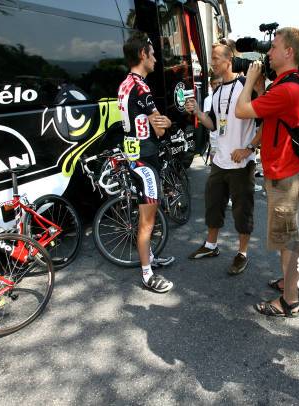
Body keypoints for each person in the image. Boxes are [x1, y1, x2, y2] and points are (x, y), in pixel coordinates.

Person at [235, 27, 299, 316]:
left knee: (287, 241)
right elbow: (270, 122)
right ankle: (289, 283)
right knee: (291, 236)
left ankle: (289, 302)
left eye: (273, 47)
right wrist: (259, 89)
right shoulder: (286, 84)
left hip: (285, 177)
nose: (268, 52)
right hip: (288, 173)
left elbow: (242, 110)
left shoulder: (289, 89)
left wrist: (251, 81)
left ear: (289, 52)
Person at [185, 40, 260, 275]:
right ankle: (211, 245)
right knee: (213, 205)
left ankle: (242, 253)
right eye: (212, 58)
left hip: (241, 163)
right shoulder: (217, 92)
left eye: (216, 58)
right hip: (220, 162)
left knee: (242, 210)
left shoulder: (246, 86)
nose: (212, 63)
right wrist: (198, 111)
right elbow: (215, 124)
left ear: (229, 60)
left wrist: (249, 148)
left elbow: (265, 123)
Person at [118, 31, 175, 293]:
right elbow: (161, 129)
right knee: (147, 220)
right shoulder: (141, 86)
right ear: (143, 54)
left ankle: (149, 258)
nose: (155, 60)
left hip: (133, 156)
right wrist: (168, 122)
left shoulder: (125, 84)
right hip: (144, 160)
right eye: (153, 54)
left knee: (146, 216)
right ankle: (147, 273)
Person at [203, 72, 222, 163]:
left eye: (220, 83)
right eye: (215, 83)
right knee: (214, 161)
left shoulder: (226, 95)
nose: (217, 85)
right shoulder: (208, 99)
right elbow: (207, 118)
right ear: (211, 85)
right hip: (215, 136)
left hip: (226, 136)